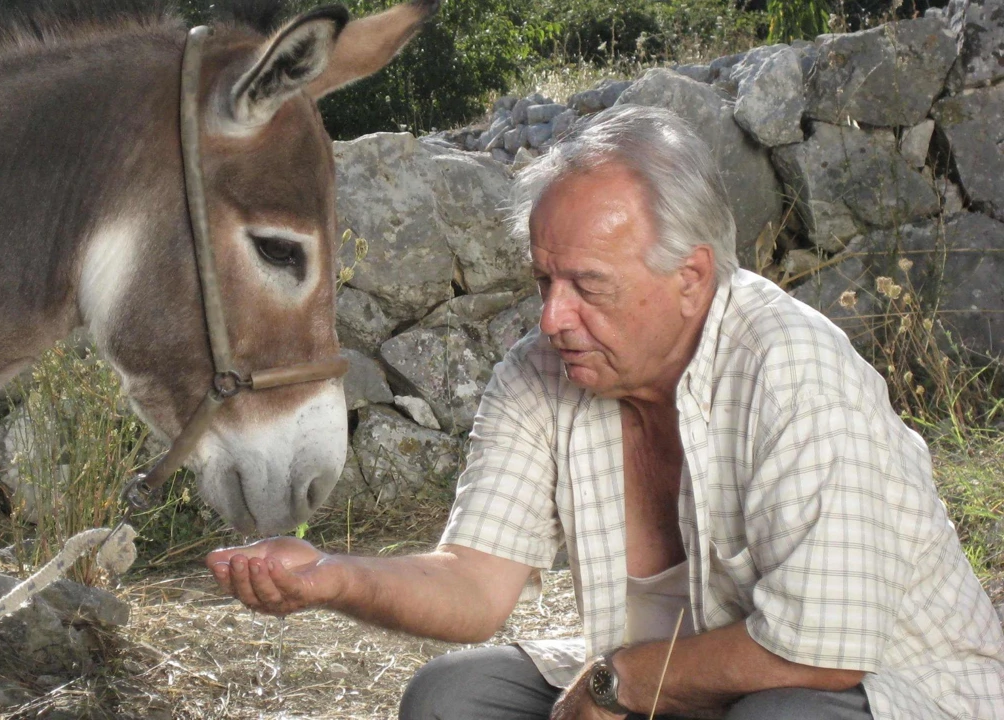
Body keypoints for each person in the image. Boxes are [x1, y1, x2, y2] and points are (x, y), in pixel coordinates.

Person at [206, 104, 1004, 720]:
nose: (553, 318)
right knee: (451, 699)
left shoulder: (794, 367)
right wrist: (334, 576)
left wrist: (619, 680)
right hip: (673, 686)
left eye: (587, 285)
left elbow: (822, 656)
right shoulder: (539, 373)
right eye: (544, 281)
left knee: (781, 718)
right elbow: (474, 585)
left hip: (882, 688)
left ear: (691, 278)